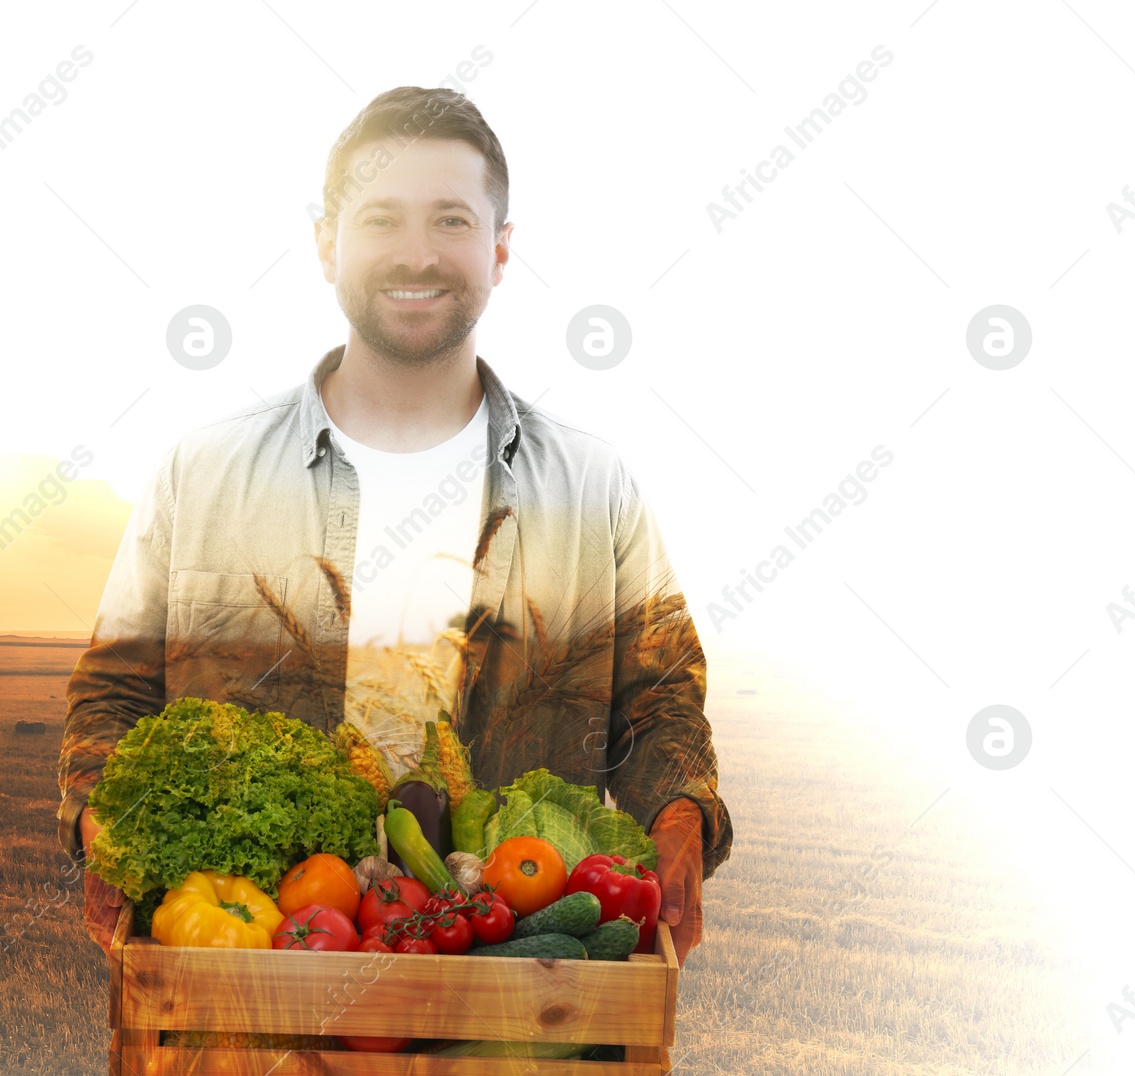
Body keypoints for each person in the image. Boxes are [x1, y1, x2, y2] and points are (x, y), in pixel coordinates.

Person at [56, 86, 731, 965]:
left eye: (451, 220)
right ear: (326, 243)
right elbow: (116, 692)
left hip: (507, 992)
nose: (417, 254)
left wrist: (679, 818)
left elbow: (660, 702)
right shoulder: (202, 472)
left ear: (500, 250)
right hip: (248, 979)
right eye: (381, 219)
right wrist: (103, 817)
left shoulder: (594, 487)